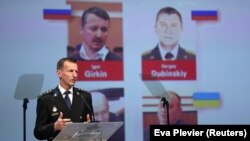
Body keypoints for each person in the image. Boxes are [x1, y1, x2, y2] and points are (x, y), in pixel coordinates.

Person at [34, 58, 94, 141]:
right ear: (59, 73)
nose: (75, 75)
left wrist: (89, 127)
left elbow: (93, 126)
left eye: (76, 71)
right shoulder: (46, 99)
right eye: (70, 71)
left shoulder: (85, 96)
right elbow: (38, 132)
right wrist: (55, 127)